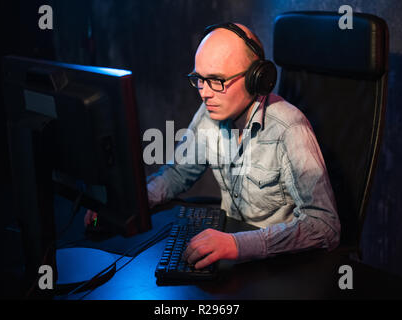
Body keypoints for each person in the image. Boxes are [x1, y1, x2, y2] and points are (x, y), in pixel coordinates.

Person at [85, 22, 341, 270]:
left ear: (257, 79)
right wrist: (128, 205)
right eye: (199, 79)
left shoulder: (289, 128)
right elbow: (177, 174)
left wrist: (239, 245)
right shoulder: (210, 112)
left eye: (216, 80)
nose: (205, 92)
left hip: (281, 267)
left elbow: (324, 226)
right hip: (231, 254)